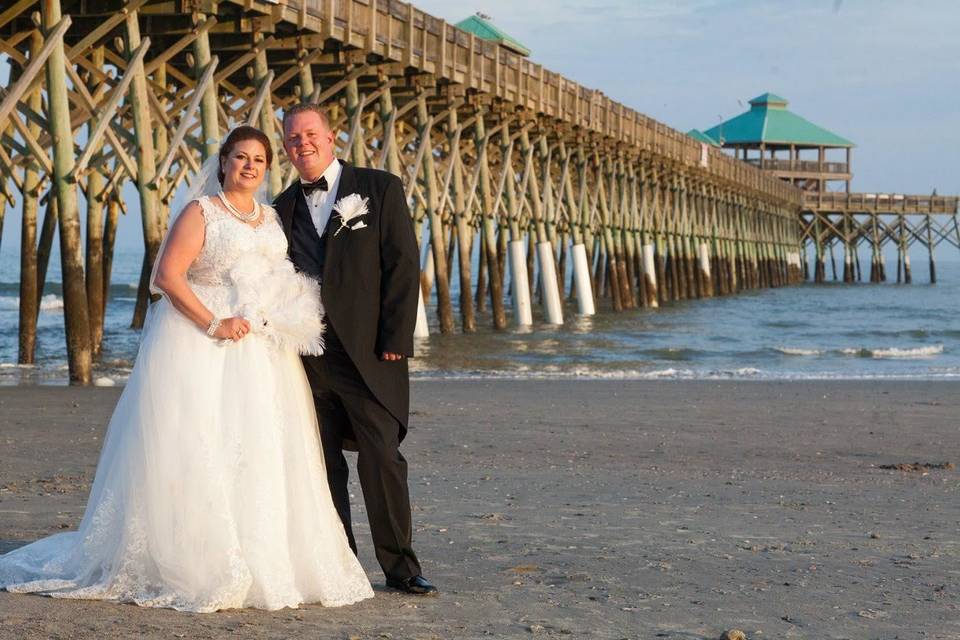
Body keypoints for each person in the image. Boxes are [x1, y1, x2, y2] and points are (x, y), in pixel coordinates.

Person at [0, 126, 374, 612]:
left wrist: (287, 313)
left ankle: (267, 557)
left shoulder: (271, 218)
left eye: (259, 159)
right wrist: (215, 322)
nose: (249, 166)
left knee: (262, 448)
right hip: (206, 343)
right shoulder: (203, 213)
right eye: (240, 157)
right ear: (222, 163)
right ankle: (202, 557)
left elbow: (280, 275)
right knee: (204, 445)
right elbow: (167, 277)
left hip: (263, 351)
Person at [275, 104, 437, 595]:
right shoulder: (280, 208)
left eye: (310, 134)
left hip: (369, 353)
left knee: (382, 457)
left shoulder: (380, 187)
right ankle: (342, 566)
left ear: (331, 137)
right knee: (323, 464)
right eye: (292, 138)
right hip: (307, 355)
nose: (302, 143)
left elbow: (403, 266)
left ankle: (401, 568)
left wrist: (395, 338)